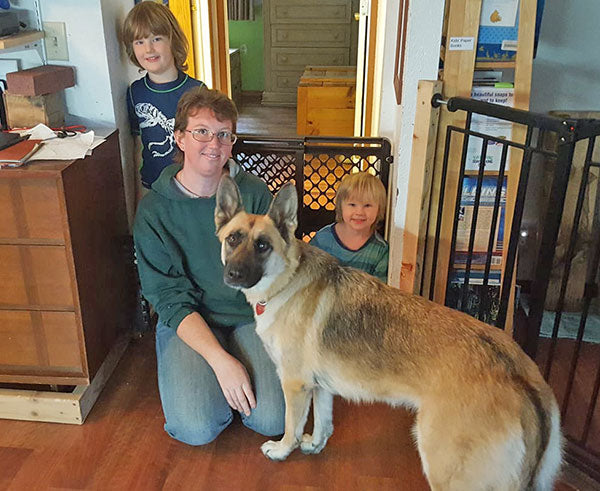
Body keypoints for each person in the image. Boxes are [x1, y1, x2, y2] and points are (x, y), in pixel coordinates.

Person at [133, 87, 285, 445]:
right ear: (180, 137)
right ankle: (217, 377)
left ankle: (237, 374)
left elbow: (278, 268)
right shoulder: (154, 210)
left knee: (274, 419)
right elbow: (168, 297)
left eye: (223, 134)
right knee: (196, 428)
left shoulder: (255, 194)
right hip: (190, 321)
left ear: (232, 141)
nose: (212, 144)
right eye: (201, 131)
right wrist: (220, 362)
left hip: (250, 317)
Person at [122, 1, 205, 194]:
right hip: (152, 189)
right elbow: (136, 147)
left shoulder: (198, 90)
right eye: (139, 42)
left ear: (172, 40)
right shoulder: (135, 93)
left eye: (156, 39)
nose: (148, 49)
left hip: (191, 188)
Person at [310, 172, 389, 283]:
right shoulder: (323, 238)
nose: (359, 212)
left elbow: (379, 293)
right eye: (352, 205)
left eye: (367, 205)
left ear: (379, 209)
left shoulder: (380, 251)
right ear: (340, 206)